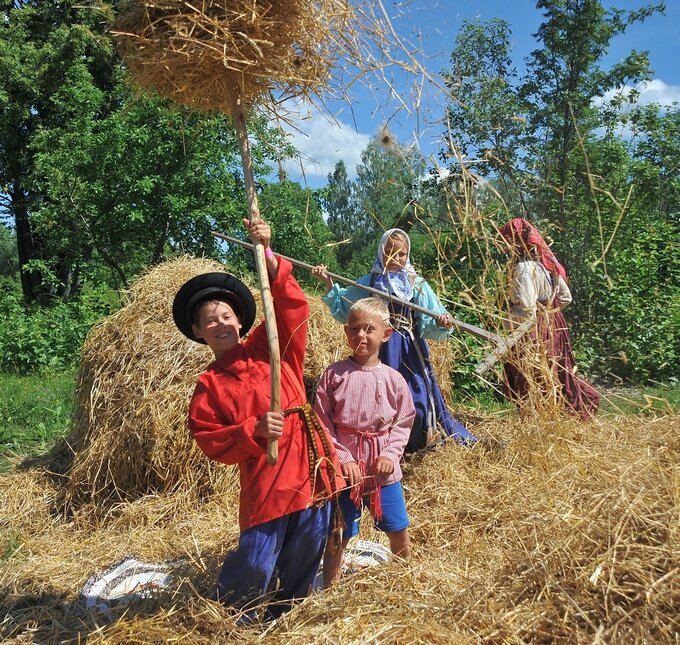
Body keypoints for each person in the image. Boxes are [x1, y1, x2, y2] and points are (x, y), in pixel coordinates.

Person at [172, 218, 344, 621]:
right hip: (266, 477)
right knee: (255, 558)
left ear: (240, 319)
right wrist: (253, 430)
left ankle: (286, 614)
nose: (220, 324)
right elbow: (209, 437)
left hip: (308, 462)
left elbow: (291, 306)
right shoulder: (209, 384)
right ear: (198, 332)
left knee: (309, 542)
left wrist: (266, 252)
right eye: (210, 320)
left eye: (226, 315)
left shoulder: (272, 347)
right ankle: (234, 617)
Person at [312, 228, 477, 454]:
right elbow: (346, 310)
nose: (395, 258)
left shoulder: (415, 283)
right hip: (379, 349)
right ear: (381, 252)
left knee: (416, 397)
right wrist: (329, 284)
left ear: (407, 255)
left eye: (401, 254)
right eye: (389, 252)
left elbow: (431, 318)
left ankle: (417, 442)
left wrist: (441, 321)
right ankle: (382, 444)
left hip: (410, 351)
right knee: (380, 396)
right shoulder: (369, 282)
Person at [314, 297, 416, 587]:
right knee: (339, 531)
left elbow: (404, 421)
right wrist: (343, 459)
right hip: (345, 474)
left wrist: (390, 455)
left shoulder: (394, 379)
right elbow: (322, 422)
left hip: (383, 472)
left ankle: (404, 577)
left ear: (386, 334)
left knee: (397, 527)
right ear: (346, 332)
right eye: (355, 328)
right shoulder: (334, 375)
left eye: (369, 329)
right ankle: (331, 586)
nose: (361, 335)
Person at [498, 217, 600, 420]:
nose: (504, 247)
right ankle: (558, 415)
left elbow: (526, 309)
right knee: (557, 370)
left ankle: (538, 419)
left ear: (517, 242)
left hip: (534, 329)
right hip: (554, 323)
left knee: (533, 375)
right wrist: (549, 312)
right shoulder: (547, 264)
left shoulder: (524, 269)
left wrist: (503, 322)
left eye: (507, 241)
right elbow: (566, 298)